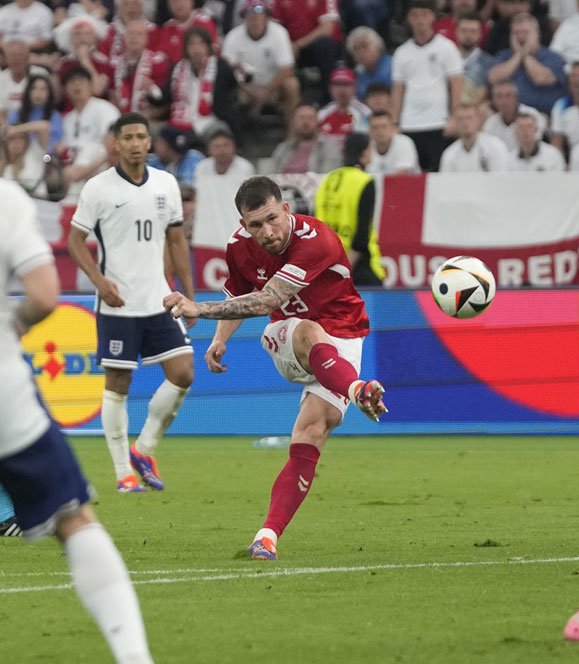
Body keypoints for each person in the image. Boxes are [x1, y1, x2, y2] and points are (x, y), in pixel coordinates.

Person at [162, 175, 388, 560]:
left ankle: (266, 536)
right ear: (242, 225)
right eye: (255, 225)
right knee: (308, 331)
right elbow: (244, 297)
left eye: (271, 219)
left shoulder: (317, 240)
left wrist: (199, 308)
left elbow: (267, 297)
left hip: (346, 336)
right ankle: (358, 390)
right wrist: (220, 338)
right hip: (287, 337)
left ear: (287, 209)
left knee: (314, 430)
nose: (266, 232)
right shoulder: (239, 248)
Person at [1, 177, 154, 664]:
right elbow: (46, 294)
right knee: (73, 519)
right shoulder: (7, 199)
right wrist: (11, 328)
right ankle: (133, 656)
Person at [66, 112, 195, 493]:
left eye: (142, 136)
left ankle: (145, 449)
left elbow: (176, 241)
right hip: (118, 305)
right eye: (128, 137)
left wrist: (188, 293)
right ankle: (123, 473)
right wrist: (99, 281)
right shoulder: (98, 188)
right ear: (116, 144)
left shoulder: (167, 184)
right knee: (117, 386)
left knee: (184, 372)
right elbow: (75, 241)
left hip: (158, 300)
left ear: (150, 142)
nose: (136, 143)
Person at [391, 0, 464, 172]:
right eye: (415, 15)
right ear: (409, 19)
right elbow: (398, 89)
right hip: (410, 123)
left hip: (438, 122)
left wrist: (454, 117)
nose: (420, 20)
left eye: (424, 15)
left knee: (439, 171)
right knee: (414, 173)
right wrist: (395, 120)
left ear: (432, 17)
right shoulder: (402, 53)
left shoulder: (446, 47)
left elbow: (456, 84)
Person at [314, 133, 385, 286]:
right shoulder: (364, 180)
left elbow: (316, 224)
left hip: (328, 262)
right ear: (365, 152)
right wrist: (344, 270)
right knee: (381, 306)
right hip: (357, 265)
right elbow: (361, 235)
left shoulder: (327, 180)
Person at [222, 0, 300, 123]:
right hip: (243, 88)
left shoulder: (280, 33)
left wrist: (266, 90)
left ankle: (291, 135)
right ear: (244, 16)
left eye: (259, 12)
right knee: (222, 85)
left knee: (291, 84)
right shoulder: (233, 36)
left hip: (273, 86)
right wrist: (249, 91)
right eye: (250, 12)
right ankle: (231, 132)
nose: (254, 16)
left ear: (266, 16)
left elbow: (287, 69)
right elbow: (226, 69)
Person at [165, 26, 241, 138]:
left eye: (201, 44)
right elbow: (165, 94)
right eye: (192, 44)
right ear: (186, 48)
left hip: (213, 120)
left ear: (208, 47)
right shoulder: (178, 69)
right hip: (183, 119)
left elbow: (233, 84)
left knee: (219, 132)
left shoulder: (221, 67)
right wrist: (151, 90)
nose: (197, 49)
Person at [192, 126, 255, 258]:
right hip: (207, 235)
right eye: (217, 146)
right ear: (209, 149)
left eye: (226, 145)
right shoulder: (201, 168)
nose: (222, 149)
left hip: (237, 231)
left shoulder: (245, 168)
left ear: (234, 147)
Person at [487, 12, 567, 115]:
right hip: (507, 115)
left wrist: (524, 55)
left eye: (525, 32)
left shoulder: (553, 57)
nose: (520, 37)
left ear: (537, 34)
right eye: (516, 33)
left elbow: (540, 78)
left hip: (542, 114)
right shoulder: (503, 56)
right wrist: (518, 56)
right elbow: (493, 78)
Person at [110, 18, 171, 117]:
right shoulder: (114, 64)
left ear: (146, 39)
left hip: (148, 118)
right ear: (124, 38)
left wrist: (152, 90)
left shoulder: (157, 62)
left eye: (139, 34)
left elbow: (165, 99)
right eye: (131, 33)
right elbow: (111, 95)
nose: (135, 38)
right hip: (119, 117)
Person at [61, 67, 121, 165]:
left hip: (100, 165)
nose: (76, 85)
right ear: (65, 89)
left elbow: (112, 143)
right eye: (72, 82)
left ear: (90, 85)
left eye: (81, 81)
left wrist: (85, 170)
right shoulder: (67, 119)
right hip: (74, 166)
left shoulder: (105, 108)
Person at [270, 104, 341, 175]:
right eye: (301, 117)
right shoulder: (283, 148)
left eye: (310, 118)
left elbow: (328, 176)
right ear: (294, 122)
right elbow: (272, 175)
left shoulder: (329, 146)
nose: (306, 121)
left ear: (317, 122)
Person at [439, 102, 509, 172]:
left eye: (469, 118)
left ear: (478, 120)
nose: (465, 122)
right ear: (455, 123)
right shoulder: (449, 154)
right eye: (460, 119)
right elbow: (446, 181)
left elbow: (501, 179)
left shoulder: (495, 146)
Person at [481, 80, 546, 152]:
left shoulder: (532, 115)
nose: (504, 100)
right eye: (499, 96)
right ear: (493, 100)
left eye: (508, 95)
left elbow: (535, 145)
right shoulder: (491, 122)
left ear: (516, 97)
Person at [7, 74, 62, 156]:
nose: (38, 93)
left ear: (49, 94)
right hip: (18, 156)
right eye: (34, 88)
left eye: (43, 89)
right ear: (28, 91)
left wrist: (15, 129)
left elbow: (52, 143)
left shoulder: (55, 116)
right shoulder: (15, 113)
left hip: (44, 158)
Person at [317, 67, 371, 147]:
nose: (341, 90)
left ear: (354, 88)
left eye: (346, 84)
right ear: (330, 88)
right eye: (337, 84)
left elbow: (362, 139)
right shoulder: (323, 113)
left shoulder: (362, 113)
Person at [159, 0, 218, 66]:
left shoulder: (204, 22)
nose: (179, 4)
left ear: (192, 1)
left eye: (183, 1)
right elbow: (162, 56)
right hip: (175, 72)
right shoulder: (168, 27)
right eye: (174, 1)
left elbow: (213, 51)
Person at [454, 11, 495, 104]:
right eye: (464, 30)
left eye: (473, 31)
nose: (468, 35)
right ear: (456, 32)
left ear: (480, 34)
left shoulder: (489, 62)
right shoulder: (445, 58)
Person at [367, 109, 421, 175]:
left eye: (384, 126)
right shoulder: (366, 147)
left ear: (392, 128)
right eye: (375, 127)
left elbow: (402, 174)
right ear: (369, 130)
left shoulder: (404, 142)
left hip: (408, 184)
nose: (379, 131)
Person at [346, 26, 392, 102]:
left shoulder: (394, 67)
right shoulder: (358, 76)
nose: (360, 52)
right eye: (356, 49)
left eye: (365, 46)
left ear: (378, 47)